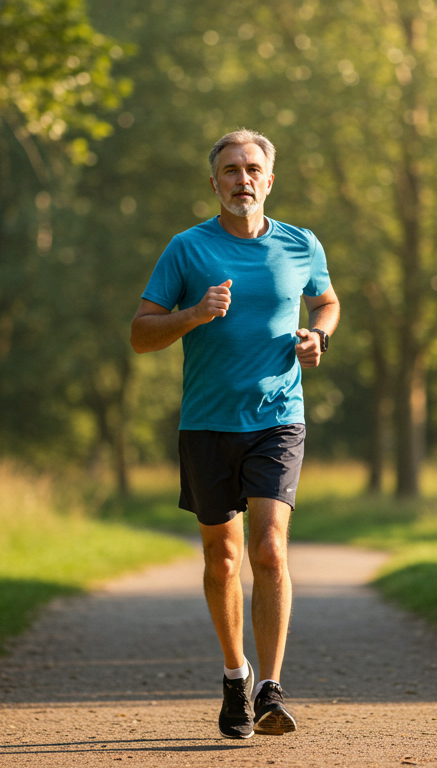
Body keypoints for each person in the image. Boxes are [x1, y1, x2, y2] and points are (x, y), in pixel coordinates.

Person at [129, 129, 339, 738]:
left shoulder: (300, 244)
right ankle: (234, 676)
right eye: (230, 170)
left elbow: (326, 302)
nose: (242, 179)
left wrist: (318, 336)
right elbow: (141, 334)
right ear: (214, 182)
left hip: (278, 418)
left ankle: (271, 688)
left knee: (268, 549)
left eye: (252, 169)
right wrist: (193, 315)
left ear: (269, 180)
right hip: (206, 423)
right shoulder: (187, 249)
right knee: (222, 560)